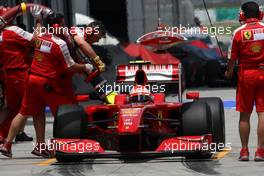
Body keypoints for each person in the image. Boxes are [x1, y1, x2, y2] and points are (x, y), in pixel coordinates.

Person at [0, 13, 94, 158]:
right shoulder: (59, 44)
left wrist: (38, 20)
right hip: (47, 83)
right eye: (62, 25)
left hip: (32, 80)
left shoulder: (40, 37)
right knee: (65, 113)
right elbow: (70, 67)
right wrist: (86, 67)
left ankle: (9, 144)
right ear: (58, 27)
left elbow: (35, 34)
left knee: (25, 113)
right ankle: (66, 146)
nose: (64, 28)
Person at [225, 1, 264, 161]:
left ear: (242, 15)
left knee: (244, 115)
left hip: (245, 75)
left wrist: (228, 72)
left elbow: (232, 58)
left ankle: (244, 151)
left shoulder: (238, 32)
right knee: (262, 113)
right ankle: (260, 151)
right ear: (260, 14)